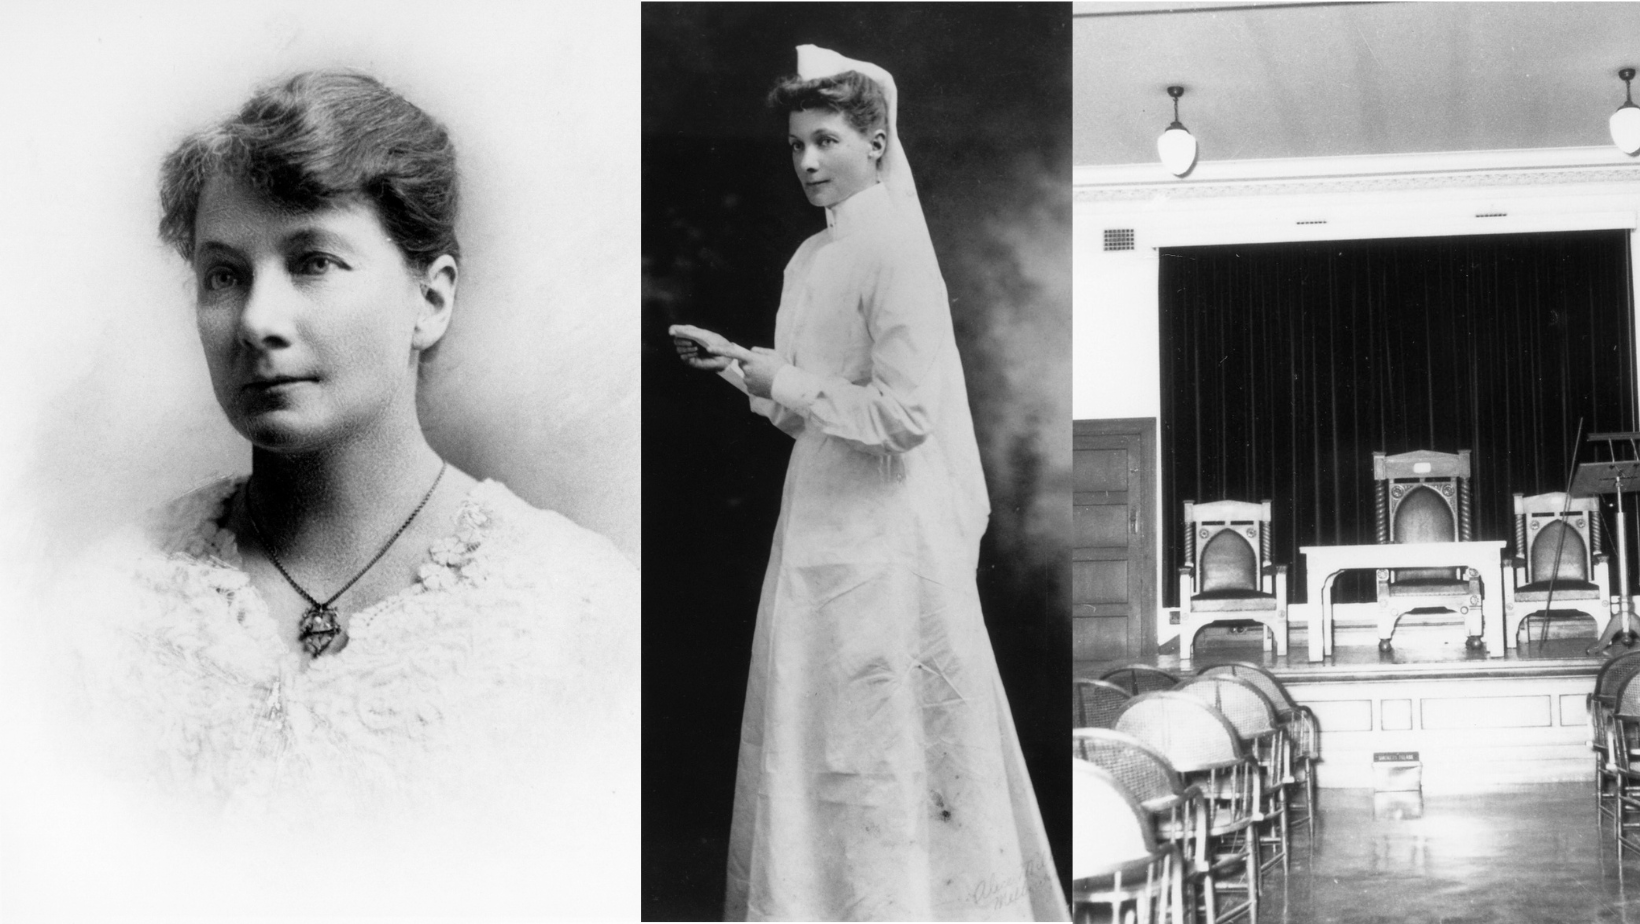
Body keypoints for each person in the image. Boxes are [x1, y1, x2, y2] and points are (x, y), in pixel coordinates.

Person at [65, 69, 636, 865]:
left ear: (429, 301)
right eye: (224, 275)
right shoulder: (103, 607)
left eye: (314, 262)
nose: (258, 322)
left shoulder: (579, 612)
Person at [671, 47, 1067, 922]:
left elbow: (903, 418)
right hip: (814, 521)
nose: (808, 162)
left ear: (877, 142)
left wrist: (779, 380)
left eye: (826, 141)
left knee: (880, 747)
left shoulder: (897, 252)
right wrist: (739, 367)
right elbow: (803, 409)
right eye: (796, 146)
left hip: (884, 537)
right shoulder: (810, 261)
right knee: (815, 742)